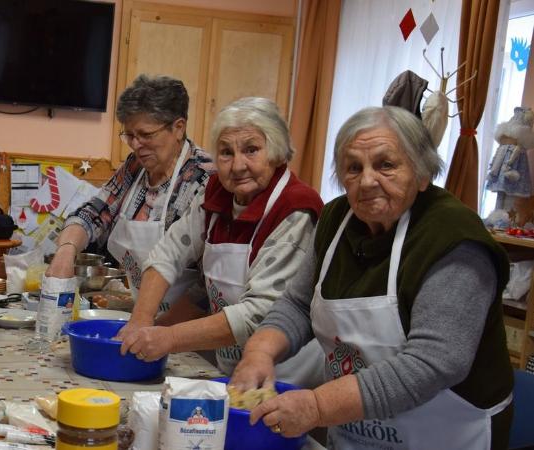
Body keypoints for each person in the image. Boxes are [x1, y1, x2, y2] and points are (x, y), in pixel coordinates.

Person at [230, 106, 514, 449]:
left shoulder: (453, 238)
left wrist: (318, 406)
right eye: (353, 167)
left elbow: (434, 362)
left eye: (386, 165)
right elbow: (297, 304)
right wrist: (259, 352)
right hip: (356, 432)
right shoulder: (338, 219)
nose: (366, 181)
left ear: (422, 173)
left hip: (443, 435)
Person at [117, 98, 324, 385]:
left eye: (251, 150)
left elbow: (259, 312)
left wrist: (169, 337)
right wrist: (141, 319)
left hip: (286, 370)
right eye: (226, 152)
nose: (238, 165)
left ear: (276, 152)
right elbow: (169, 252)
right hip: (230, 364)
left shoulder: (296, 206)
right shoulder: (217, 191)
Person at [46, 74, 214, 310]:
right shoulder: (135, 167)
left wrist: (157, 329)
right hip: (142, 318)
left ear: (178, 127)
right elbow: (95, 213)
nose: (136, 145)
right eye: (130, 135)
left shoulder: (205, 179)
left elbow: (209, 286)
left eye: (146, 135)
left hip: (184, 328)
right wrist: (66, 250)